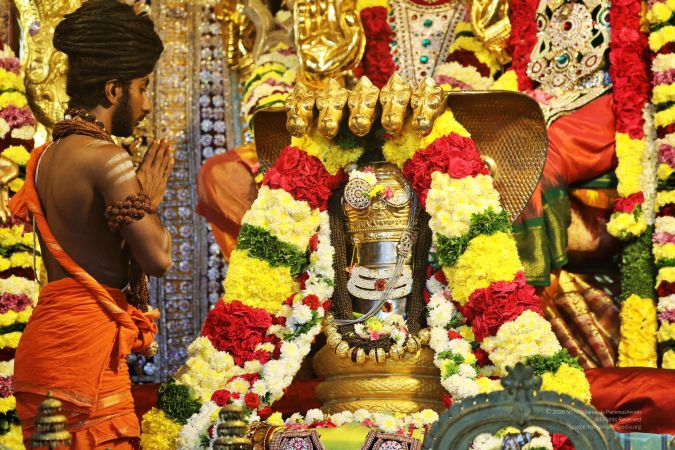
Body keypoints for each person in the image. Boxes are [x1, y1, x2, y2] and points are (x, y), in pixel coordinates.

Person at [7, 1, 173, 448]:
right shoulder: (107, 158)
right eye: (142, 87)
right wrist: (148, 201)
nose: (147, 103)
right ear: (114, 90)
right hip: (85, 355)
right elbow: (158, 257)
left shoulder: (46, 157)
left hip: (44, 350)